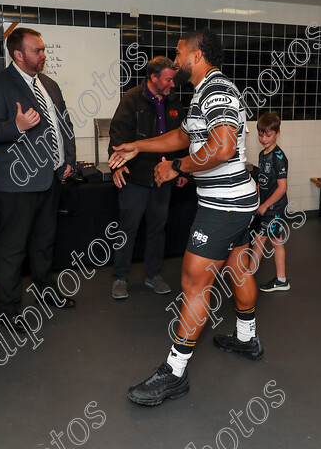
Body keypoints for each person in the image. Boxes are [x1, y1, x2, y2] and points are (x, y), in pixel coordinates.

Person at [109, 28, 261, 406]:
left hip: (224, 205)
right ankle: (247, 338)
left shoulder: (216, 89)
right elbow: (183, 135)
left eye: (178, 52)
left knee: (194, 284)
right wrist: (137, 146)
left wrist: (177, 168)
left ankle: (174, 373)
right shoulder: (202, 91)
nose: (174, 59)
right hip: (237, 201)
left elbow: (223, 147)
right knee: (239, 268)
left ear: (195, 55)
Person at [0, 27, 77, 335]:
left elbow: (64, 123)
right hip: (15, 184)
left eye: (44, 49)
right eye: (37, 51)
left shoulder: (48, 84)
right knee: (13, 250)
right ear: (18, 54)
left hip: (51, 177)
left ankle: (46, 291)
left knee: (44, 242)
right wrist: (17, 125)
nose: (43, 55)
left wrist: (69, 160)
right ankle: (8, 310)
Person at [108, 56, 187, 299]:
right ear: (153, 78)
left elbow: (184, 136)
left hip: (164, 178)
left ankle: (153, 275)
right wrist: (117, 166)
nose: (172, 85)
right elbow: (118, 135)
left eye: (173, 80)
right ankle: (120, 278)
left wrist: (181, 168)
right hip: (136, 178)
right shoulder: (132, 99)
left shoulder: (174, 101)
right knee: (128, 229)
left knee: (157, 228)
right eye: (167, 79)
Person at [250, 111, 291, 292]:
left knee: (259, 240)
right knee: (277, 242)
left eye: (268, 135)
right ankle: (281, 280)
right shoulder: (262, 154)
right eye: (261, 134)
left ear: (277, 134)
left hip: (275, 209)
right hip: (266, 207)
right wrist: (258, 200)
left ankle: (247, 277)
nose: (264, 138)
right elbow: (262, 181)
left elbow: (282, 188)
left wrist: (265, 205)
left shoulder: (279, 158)